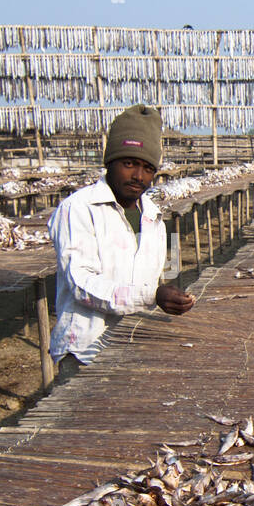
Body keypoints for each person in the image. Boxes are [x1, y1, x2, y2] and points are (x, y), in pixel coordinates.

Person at [48, 104, 195, 377]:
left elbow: (160, 276)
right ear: (109, 162)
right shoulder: (78, 209)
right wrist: (152, 296)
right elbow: (81, 284)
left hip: (135, 344)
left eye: (148, 168)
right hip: (86, 351)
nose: (138, 176)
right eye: (129, 164)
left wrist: (171, 294)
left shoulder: (154, 215)